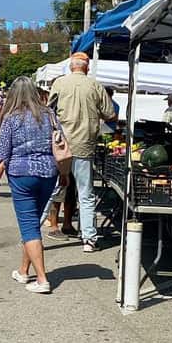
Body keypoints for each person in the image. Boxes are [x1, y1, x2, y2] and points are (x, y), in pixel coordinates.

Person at [0, 76, 65, 294]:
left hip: (21, 174)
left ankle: (42, 279)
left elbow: (2, 154)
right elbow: (60, 141)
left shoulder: (11, 118)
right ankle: (23, 271)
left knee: (29, 225)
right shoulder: (49, 115)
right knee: (32, 223)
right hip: (48, 172)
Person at [48, 52, 116, 252]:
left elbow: (48, 109)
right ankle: (89, 239)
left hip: (61, 145)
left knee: (53, 188)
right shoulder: (95, 85)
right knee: (85, 194)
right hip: (85, 145)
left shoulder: (59, 84)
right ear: (87, 67)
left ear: (71, 66)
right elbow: (110, 113)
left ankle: (35, 233)